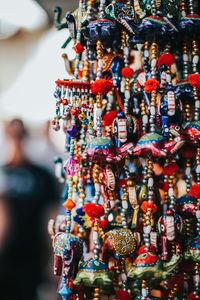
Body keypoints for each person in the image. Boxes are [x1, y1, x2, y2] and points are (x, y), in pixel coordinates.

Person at [0, 119, 59, 300]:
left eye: (20, 136)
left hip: (32, 259)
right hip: (4, 258)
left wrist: (54, 258)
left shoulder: (41, 175)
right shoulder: (2, 174)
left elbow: (53, 216)